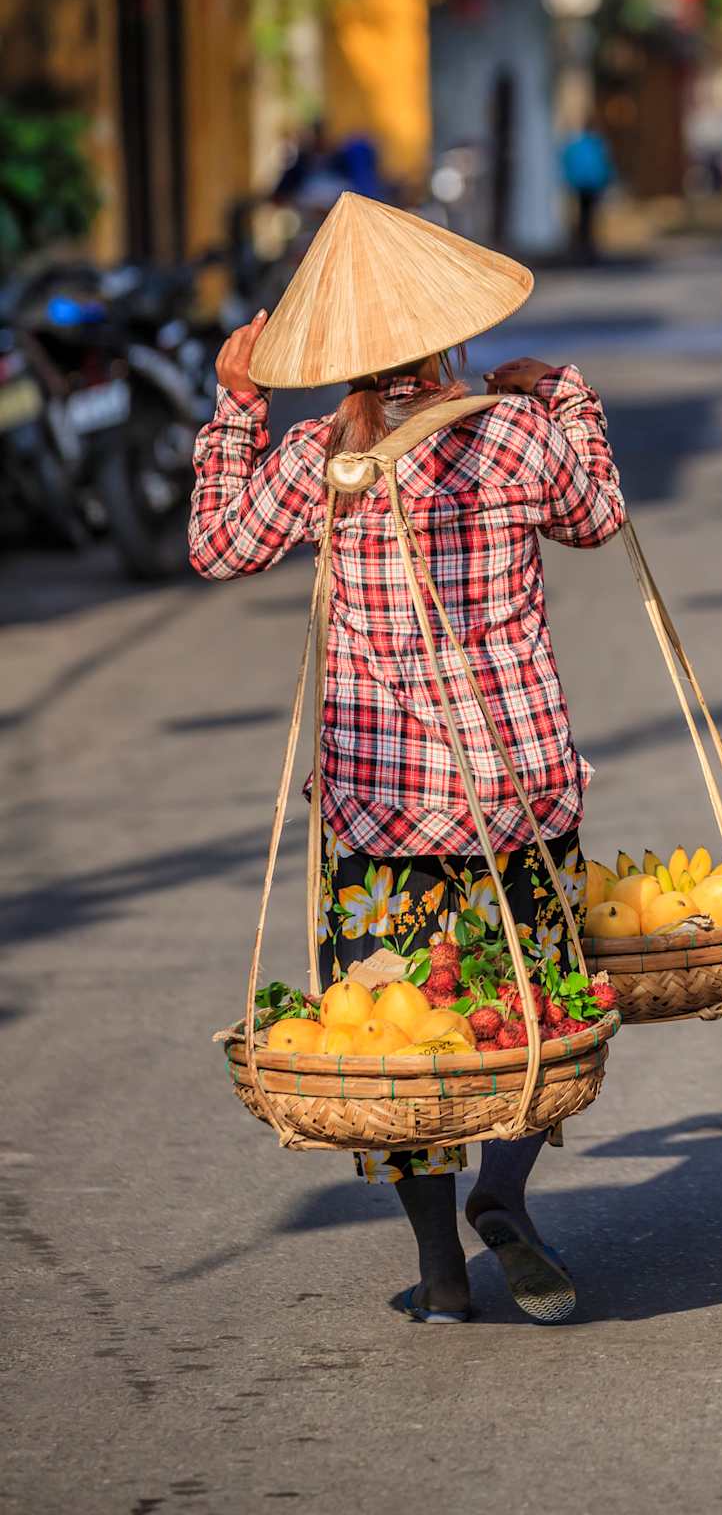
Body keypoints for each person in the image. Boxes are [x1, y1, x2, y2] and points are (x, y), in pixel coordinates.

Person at [189, 192, 625, 1325]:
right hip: (522, 797)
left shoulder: (321, 455)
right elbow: (598, 516)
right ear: (446, 335)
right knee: (538, 1022)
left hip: (386, 822)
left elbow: (217, 545)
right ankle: (506, 1196)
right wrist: (561, 393)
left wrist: (239, 405)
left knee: (399, 1049)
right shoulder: (517, 433)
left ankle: (439, 1269)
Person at [559, 116, 616, 263]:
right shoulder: (597, 144)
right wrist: (607, 179)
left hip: (579, 185)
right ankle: (588, 246)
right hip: (593, 185)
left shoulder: (576, 144)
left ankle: (583, 245)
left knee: (583, 217)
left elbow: (567, 161)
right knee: (591, 217)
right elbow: (604, 163)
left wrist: (568, 180)